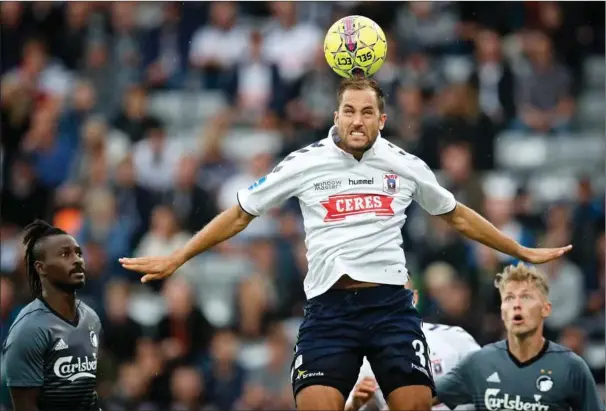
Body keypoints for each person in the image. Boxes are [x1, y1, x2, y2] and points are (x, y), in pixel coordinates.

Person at [119, 78, 571, 411]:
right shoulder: (305, 162)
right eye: (349, 111)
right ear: (336, 116)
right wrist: (179, 256)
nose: (357, 120)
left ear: (382, 118)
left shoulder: (405, 164)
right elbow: (240, 214)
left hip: (391, 308)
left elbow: (456, 215)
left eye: (367, 112)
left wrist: (521, 250)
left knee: (416, 407)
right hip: (328, 310)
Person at [433, 262, 604, 411]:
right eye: (509, 298)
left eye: (526, 297)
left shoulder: (572, 368)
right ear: (502, 311)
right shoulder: (478, 363)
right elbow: (418, 400)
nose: (516, 305)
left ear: (546, 309)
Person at [1, 220, 102, 411]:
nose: (77, 260)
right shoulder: (28, 329)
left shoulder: (91, 319)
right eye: (65, 254)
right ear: (41, 268)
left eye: (79, 253)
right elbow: (24, 406)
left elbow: (89, 394)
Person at [346, 285, 480, 411]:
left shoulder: (455, 339)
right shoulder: (364, 360)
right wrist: (355, 405)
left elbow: (489, 383)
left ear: (414, 298)